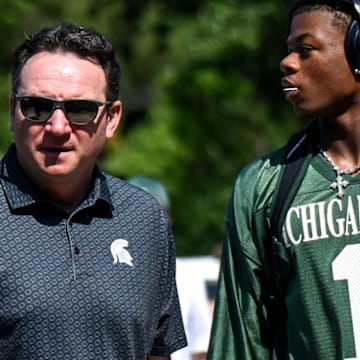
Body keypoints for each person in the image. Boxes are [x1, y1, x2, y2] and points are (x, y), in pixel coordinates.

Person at [0, 23, 187, 359]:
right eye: (37, 108)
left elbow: (158, 352)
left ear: (112, 119)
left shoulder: (145, 219)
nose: (58, 127)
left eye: (80, 110)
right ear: (13, 111)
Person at [207, 0, 360, 359]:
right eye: (289, 50)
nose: (287, 63)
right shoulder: (264, 185)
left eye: (305, 50)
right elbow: (242, 340)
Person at [127, 176, 212, 360]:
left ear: (169, 219)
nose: (143, 222)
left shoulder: (188, 276)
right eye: (133, 214)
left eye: (153, 213)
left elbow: (201, 348)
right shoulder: (108, 275)